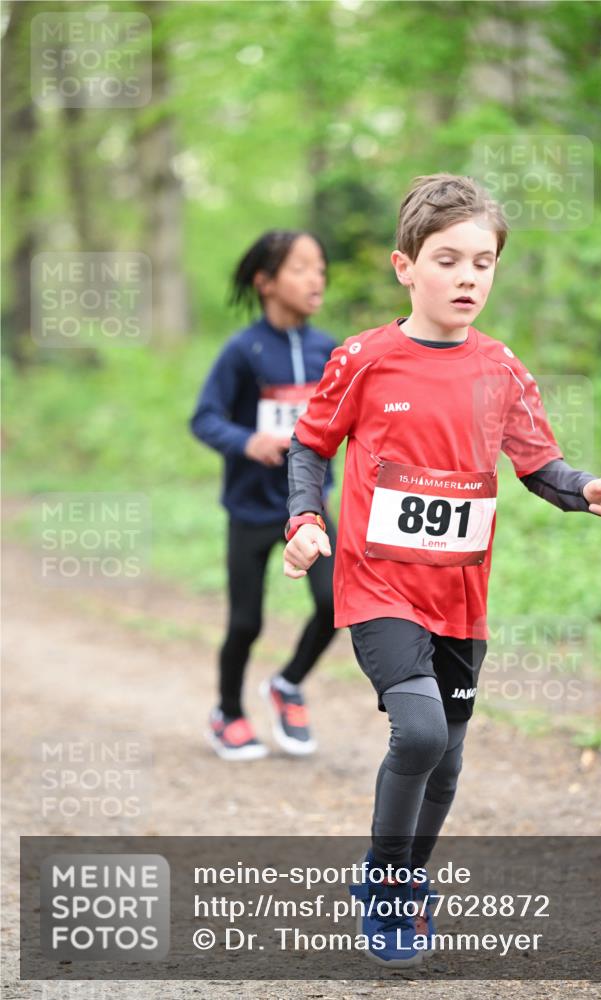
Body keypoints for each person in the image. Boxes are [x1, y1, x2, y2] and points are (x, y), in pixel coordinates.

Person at [282, 174, 601, 966]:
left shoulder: (499, 369)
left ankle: (405, 879)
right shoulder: (365, 358)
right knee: (420, 730)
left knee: (448, 757)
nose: (467, 276)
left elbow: (539, 465)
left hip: (459, 596)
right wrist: (304, 520)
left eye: (483, 261)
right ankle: (387, 882)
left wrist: (587, 490)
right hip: (376, 583)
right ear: (406, 266)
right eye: (447, 260)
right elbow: (309, 444)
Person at [191, 229, 338, 762]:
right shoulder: (242, 351)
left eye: (319, 267)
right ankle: (227, 712)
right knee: (246, 623)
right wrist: (247, 441)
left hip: (312, 507)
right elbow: (204, 418)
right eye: (300, 268)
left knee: (335, 603)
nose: (315, 277)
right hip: (252, 508)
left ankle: (288, 683)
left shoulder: (331, 350)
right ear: (266, 282)